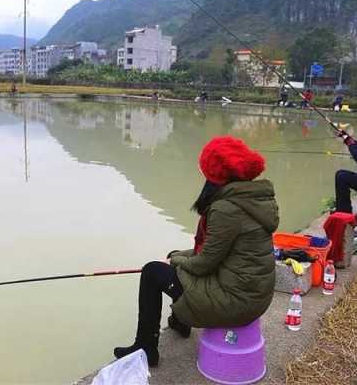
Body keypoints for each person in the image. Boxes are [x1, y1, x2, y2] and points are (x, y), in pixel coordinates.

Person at [113, 136, 278, 366]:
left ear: (215, 174)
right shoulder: (252, 198)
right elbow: (217, 252)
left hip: (237, 301)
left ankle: (146, 347)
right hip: (254, 293)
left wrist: (177, 261)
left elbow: (204, 264)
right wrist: (179, 257)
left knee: (152, 272)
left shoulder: (226, 208)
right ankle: (180, 322)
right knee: (177, 261)